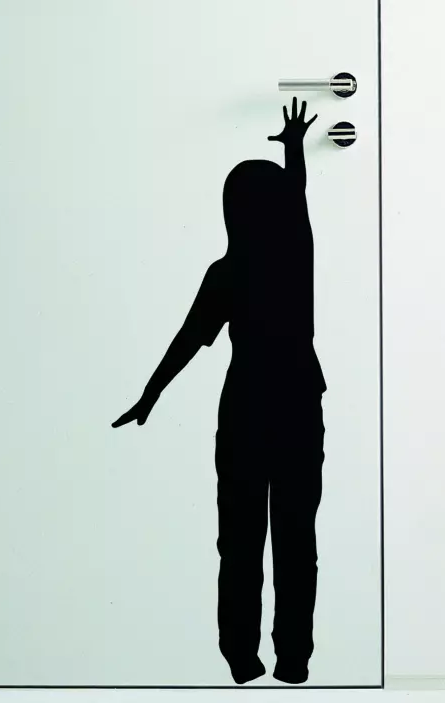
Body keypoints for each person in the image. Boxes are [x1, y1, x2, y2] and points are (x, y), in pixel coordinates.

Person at [112, 98, 326, 685]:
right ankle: (293, 659)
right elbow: (298, 200)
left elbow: (188, 340)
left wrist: (151, 393)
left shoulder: (228, 273)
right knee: (295, 537)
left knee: (240, 538)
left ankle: (241, 657)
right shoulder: (296, 257)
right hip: (297, 405)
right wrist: (294, 149)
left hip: (246, 411)